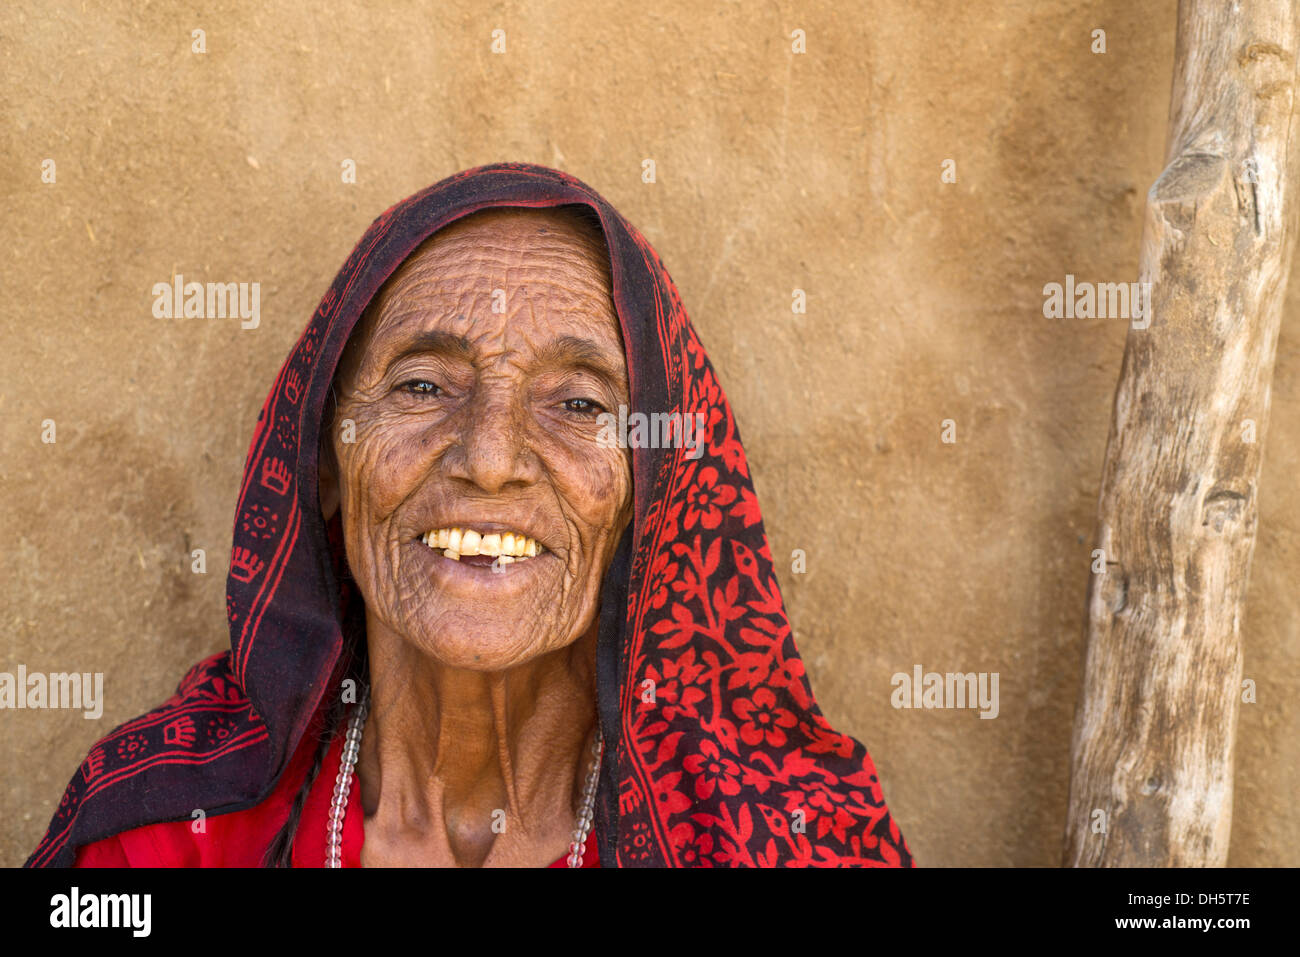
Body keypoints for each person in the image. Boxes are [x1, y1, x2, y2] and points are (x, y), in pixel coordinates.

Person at [27, 162, 913, 867]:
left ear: (654, 488)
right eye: (422, 386)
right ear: (325, 462)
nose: (489, 459)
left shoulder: (782, 843)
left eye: (578, 405)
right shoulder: (162, 834)